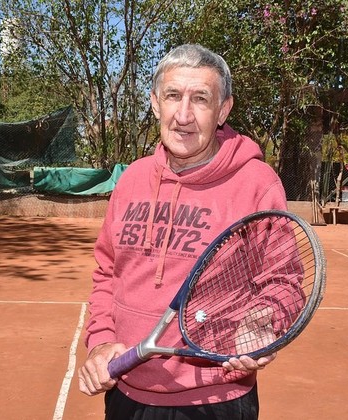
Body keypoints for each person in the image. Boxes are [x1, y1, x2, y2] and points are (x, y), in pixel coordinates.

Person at [77, 44, 288, 419]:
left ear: (223, 110)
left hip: (216, 400)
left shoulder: (257, 183)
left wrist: (265, 317)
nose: (184, 115)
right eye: (173, 96)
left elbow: (283, 279)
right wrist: (101, 342)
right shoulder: (132, 179)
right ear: (155, 103)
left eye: (201, 99)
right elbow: (108, 273)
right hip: (127, 391)